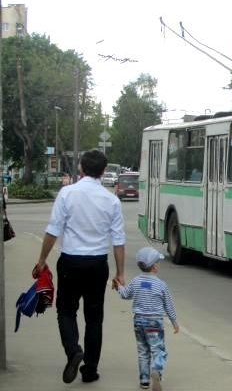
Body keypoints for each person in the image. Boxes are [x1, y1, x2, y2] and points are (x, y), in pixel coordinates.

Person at [33, 149, 126, 384]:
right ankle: (90, 370)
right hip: (97, 264)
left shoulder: (67, 193)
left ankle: (74, 351)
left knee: (66, 310)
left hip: (71, 261)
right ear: (104, 171)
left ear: (81, 169)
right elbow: (118, 241)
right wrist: (120, 273)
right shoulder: (112, 200)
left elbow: (53, 231)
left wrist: (42, 260)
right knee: (94, 317)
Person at [112, 246, 179, 391]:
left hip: (138, 322)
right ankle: (156, 370)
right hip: (154, 322)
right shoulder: (161, 285)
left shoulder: (136, 281)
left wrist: (118, 286)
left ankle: (144, 380)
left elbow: (125, 295)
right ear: (154, 266)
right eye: (158, 262)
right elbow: (169, 305)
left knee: (143, 351)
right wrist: (174, 322)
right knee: (158, 350)